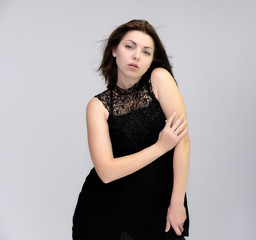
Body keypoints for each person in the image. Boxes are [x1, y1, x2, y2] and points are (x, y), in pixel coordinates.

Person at [72, 19, 190, 240]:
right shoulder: (98, 107)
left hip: (160, 207)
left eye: (146, 52)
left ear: (151, 60)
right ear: (115, 50)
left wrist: (177, 203)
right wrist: (160, 147)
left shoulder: (160, 79)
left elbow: (183, 142)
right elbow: (106, 173)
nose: (137, 55)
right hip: (107, 212)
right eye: (130, 46)